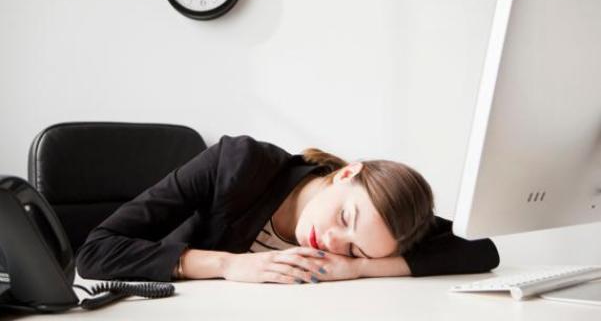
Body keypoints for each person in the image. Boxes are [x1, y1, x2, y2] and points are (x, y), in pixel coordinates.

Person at [75, 135, 499, 284]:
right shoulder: (237, 164)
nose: (332, 243)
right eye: (345, 220)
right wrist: (227, 265)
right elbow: (95, 253)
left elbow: (481, 249)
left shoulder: (374, 237)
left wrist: (362, 268)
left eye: (353, 249)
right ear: (346, 173)